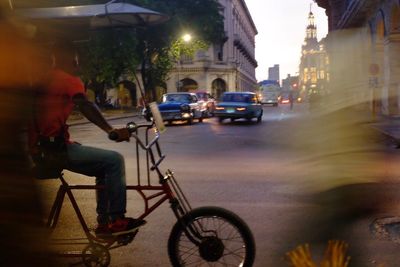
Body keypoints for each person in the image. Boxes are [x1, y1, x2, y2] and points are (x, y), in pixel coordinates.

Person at [29, 41, 145, 237]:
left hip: (42, 148)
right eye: (76, 58)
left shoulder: (45, 79)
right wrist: (111, 130)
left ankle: (104, 223)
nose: (77, 63)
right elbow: (84, 104)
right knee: (115, 160)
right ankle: (116, 220)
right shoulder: (68, 80)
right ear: (71, 59)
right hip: (54, 151)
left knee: (103, 167)